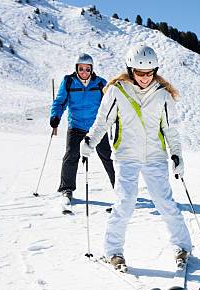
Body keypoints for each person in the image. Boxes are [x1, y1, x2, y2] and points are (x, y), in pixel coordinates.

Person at [80, 44, 191, 270]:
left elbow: (170, 130)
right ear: (131, 70)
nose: (145, 78)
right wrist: (90, 141)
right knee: (125, 203)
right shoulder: (117, 90)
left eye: (149, 73)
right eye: (140, 73)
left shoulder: (162, 94)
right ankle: (113, 252)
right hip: (126, 156)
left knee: (165, 202)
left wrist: (177, 155)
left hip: (155, 157)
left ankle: (182, 247)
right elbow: (104, 121)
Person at [50, 53, 115, 203]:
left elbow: (110, 104)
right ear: (76, 69)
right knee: (71, 155)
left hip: (97, 128)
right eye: (81, 69)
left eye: (87, 69)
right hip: (76, 126)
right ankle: (67, 189)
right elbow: (60, 102)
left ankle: (119, 187)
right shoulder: (69, 82)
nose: (84, 72)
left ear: (92, 69)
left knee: (107, 156)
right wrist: (55, 116)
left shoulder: (100, 83)